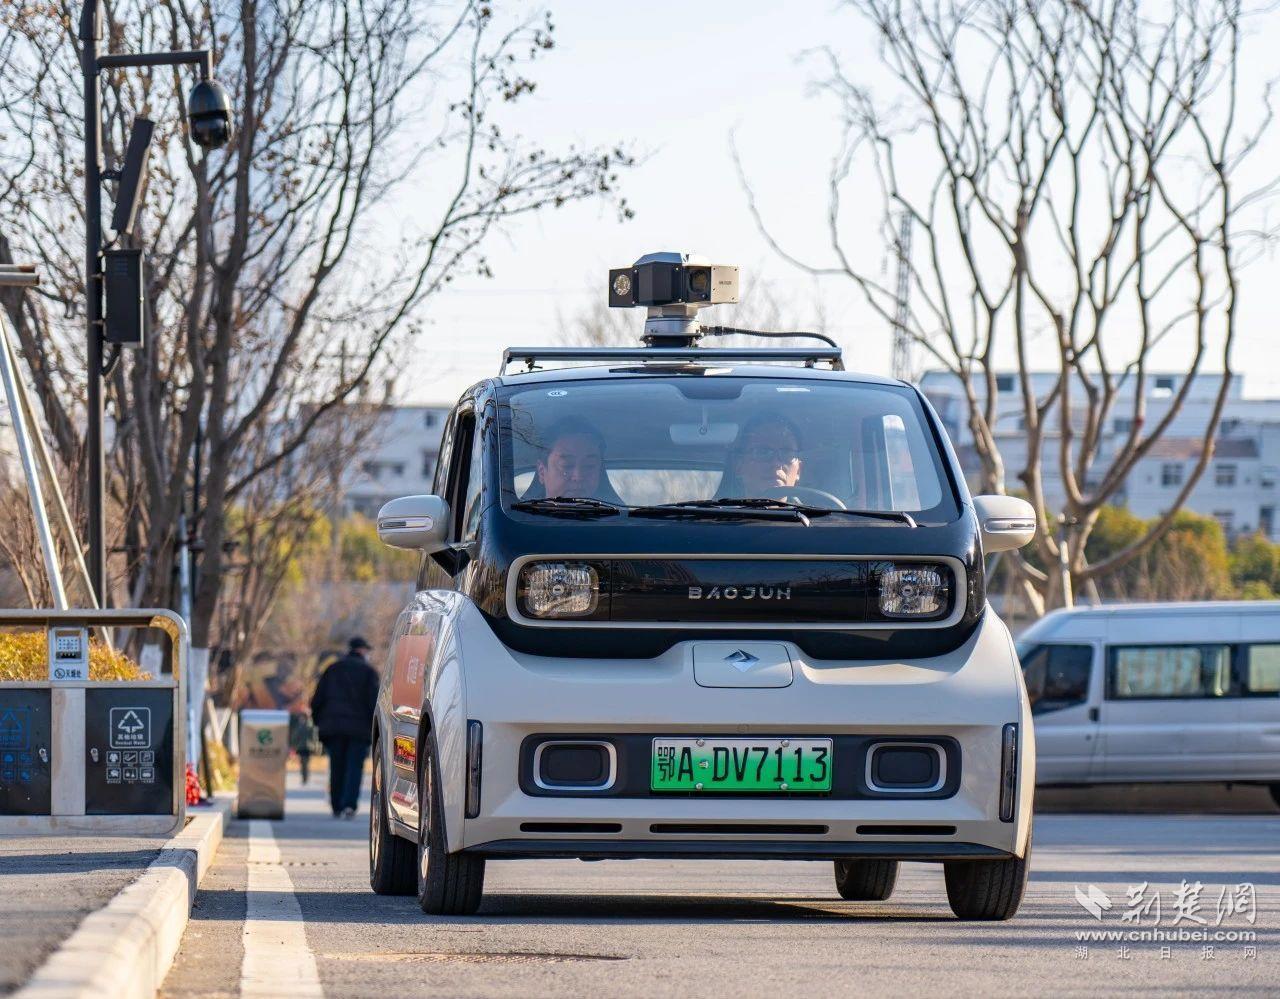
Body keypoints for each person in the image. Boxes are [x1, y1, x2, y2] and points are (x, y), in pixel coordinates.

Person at [310, 636, 380, 818]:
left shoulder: (332, 669)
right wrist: (375, 728)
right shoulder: (369, 672)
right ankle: (349, 805)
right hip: (359, 729)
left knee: (337, 766)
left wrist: (318, 722)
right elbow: (374, 703)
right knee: (354, 767)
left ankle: (336, 805)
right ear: (362, 651)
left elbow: (317, 699)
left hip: (333, 727)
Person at [523, 417, 624, 503]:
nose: (578, 476)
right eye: (566, 466)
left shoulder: (622, 519)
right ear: (542, 472)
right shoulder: (517, 518)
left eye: (589, 466)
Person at [721, 413, 805, 498]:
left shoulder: (812, 506)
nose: (776, 464)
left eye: (787, 453)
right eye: (762, 452)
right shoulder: (718, 507)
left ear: (798, 470)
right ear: (739, 465)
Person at [288, 710, 319, 785]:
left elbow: (295, 737)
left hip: (301, 747)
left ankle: (304, 777)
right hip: (309, 747)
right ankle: (305, 776)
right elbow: (315, 738)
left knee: (303, 762)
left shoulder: (300, 727)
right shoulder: (311, 726)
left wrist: (293, 745)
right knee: (306, 762)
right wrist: (316, 747)